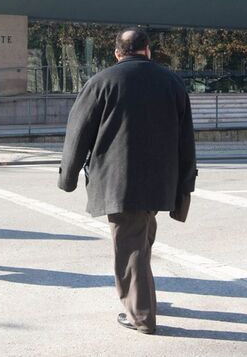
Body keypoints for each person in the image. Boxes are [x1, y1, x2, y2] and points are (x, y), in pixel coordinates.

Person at [59, 28, 197, 335]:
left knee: (131, 246)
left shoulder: (102, 82)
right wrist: (185, 183)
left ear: (117, 53)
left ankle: (141, 315)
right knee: (141, 239)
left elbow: (77, 132)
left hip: (119, 180)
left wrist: (67, 177)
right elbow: (186, 138)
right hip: (160, 180)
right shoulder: (171, 82)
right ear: (147, 49)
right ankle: (142, 297)